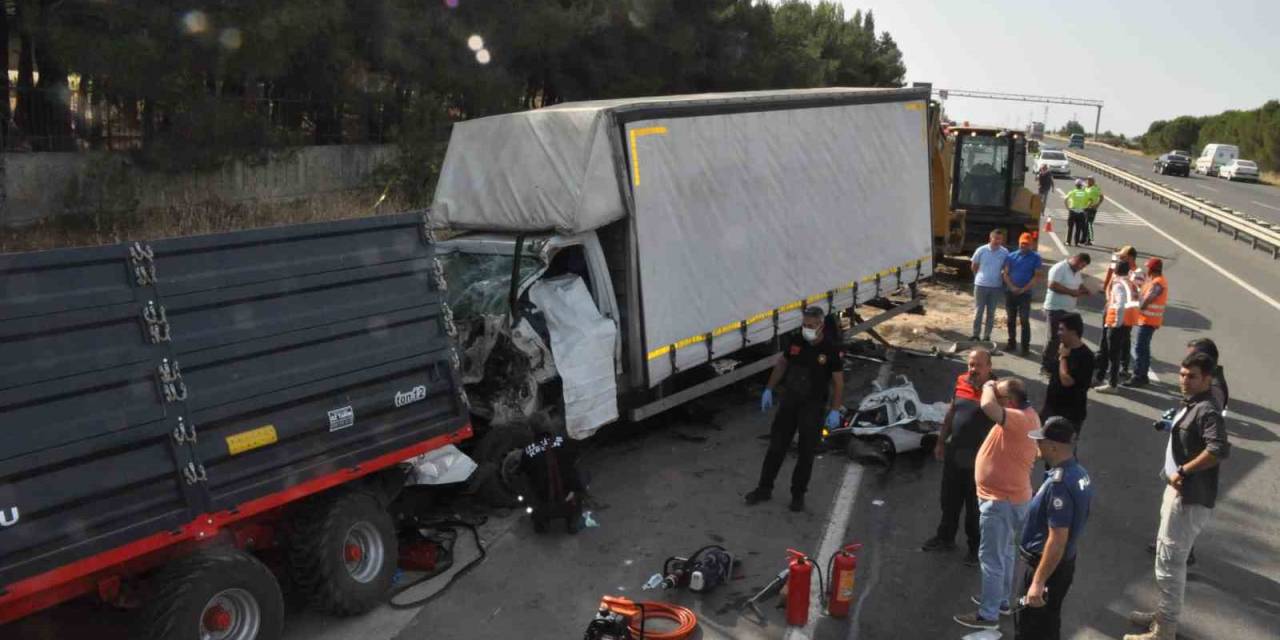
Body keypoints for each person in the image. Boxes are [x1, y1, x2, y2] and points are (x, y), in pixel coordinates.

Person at [1123, 353, 1230, 640]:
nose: (1184, 380)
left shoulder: (1206, 409)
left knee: (1170, 563)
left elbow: (1218, 449)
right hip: (1177, 491)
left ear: (1207, 378)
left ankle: (1165, 629)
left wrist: (1184, 470)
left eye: (1192, 375)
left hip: (1189, 498)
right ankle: (1162, 614)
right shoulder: (1193, 404)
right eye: (1182, 374)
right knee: (1164, 557)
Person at [954, 378, 1040, 631]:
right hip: (1011, 499)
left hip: (1000, 501)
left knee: (991, 558)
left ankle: (988, 614)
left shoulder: (1017, 417)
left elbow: (988, 406)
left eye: (1001, 397)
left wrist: (989, 385)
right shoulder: (1027, 414)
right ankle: (1000, 601)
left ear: (1010, 402)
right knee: (1004, 553)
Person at [746, 307, 844, 512]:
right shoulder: (796, 341)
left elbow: (838, 382)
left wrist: (834, 409)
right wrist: (769, 389)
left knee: (806, 452)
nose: (806, 329)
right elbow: (782, 364)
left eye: (811, 326)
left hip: (813, 405)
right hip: (790, 401)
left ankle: (798, 495)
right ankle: (764, 488)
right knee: (776, 447)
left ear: (821, 326)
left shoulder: (830, 349)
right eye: (804, 325)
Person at [1014, 417, 1093, 640]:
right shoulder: (1079, 473)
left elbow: (1057, 538)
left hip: (1045, 566)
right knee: (1048, 625)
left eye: (1040, 441)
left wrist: (1037, 583)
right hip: (1061, 566)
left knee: (1029, 628)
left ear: (1053, 446)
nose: (1036, 445)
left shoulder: (1059, 484)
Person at [923, 348, 996, 565]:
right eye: (970, 365)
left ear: (989, 367)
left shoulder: (997, 392)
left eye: (978, 365)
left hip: (980, 460)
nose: (973, 369)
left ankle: (975, 549)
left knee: (975, 508)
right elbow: (952, 412)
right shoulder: (961, 381)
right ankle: (945, 538)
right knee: (949, 499)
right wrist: (940, 441)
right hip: (955, 453)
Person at [1041, 313, 1094, 435]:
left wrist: (1063, 357)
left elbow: (1066, 381)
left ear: (1073, 332)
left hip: (1069, 415)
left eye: (1061, 329)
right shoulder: (1063, 347)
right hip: (1051, 408)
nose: (1058, 333)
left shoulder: (1085, 356)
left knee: (1063, 449)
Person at [1040, 253, 1092, 376]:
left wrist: (1086, 289)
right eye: (1080, 264)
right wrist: (1071, 293)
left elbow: (1079, 283)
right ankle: (1045, 366)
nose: (1081, 268)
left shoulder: (1076, 271)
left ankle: (1060, 363)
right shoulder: (1059, 268)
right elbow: (1052, 285)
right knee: (1054, 338)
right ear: (1074, 259)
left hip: (1068, 309)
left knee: (1066, 338)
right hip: (1055, 308)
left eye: (1083, 266)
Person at [1096, 260, 1138, 393]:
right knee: (1116, 352)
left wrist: (1116, 323)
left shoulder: (1118, 284)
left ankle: (1112, 384)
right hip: (1127, 323)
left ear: (1115, 271)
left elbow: (1120, 305)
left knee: (1113, 355)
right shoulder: (1130, 283)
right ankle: (1106, 379)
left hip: (1117, 324)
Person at [1126, 258, 1168, 387]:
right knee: (1143, 348)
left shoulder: (1158, 283)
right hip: (1147, 320)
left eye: (1148, 267)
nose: (1146, 269)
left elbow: (1147, 301)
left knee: (1140, 348)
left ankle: (1139, 376)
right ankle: (1142, 375)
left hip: (1148, 321)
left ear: (1152, 269)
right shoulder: (1154, 281)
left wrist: (1134, 308)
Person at [1002, 233, 1042, 356]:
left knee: (1024, 320)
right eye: (1022, 243)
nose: (1024, 246)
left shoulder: (1035, 257)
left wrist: (1024, 289)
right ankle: (1011, 343)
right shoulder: (1011, 256)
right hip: (1011, 292)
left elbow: (1037, 276)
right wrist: (1012, 287)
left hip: (1025, 294)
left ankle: (1025, 347)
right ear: (1019, 243)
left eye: (1027, 244)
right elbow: (1005, 274)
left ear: (1031, 245)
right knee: (1010, 319)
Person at [971, 230, 1010, 344]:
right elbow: (974, 266)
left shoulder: (1005, 252)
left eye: (1000, 239)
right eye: (996, 238)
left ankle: (987, 336)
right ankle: (975, 335)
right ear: (990, 238)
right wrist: (979, 277)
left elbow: (1006, 268)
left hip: (995, 287)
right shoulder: (981, 250)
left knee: (991, 312)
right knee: (979, 311)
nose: (998, 241)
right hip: (981, 285)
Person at [1063, 180, 1091, 246]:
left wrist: (1067, 207)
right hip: (1081, 212)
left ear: (1075, 185)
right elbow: (1090, 201)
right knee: (1078, 228)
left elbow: (1065, 199)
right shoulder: (1085, 193)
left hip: (1073, 211)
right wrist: (1086, 207)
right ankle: (1076, 242)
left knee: (1070, 227)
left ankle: (1068, 241)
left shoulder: (1072, 192)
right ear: (1081, 185)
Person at [1084, 177, 1105, 245]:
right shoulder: (1086, 188)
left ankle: (1090, 240)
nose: (1087, 181)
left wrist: (1097, 205)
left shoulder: (1096, 188)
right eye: (1087, 180)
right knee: (1085, 224)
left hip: (1092, 209)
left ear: (1092, 181)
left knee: (1089, 224)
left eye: (1089, 180)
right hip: (1085, 208)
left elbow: (1101, 197)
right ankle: (1085, 238)